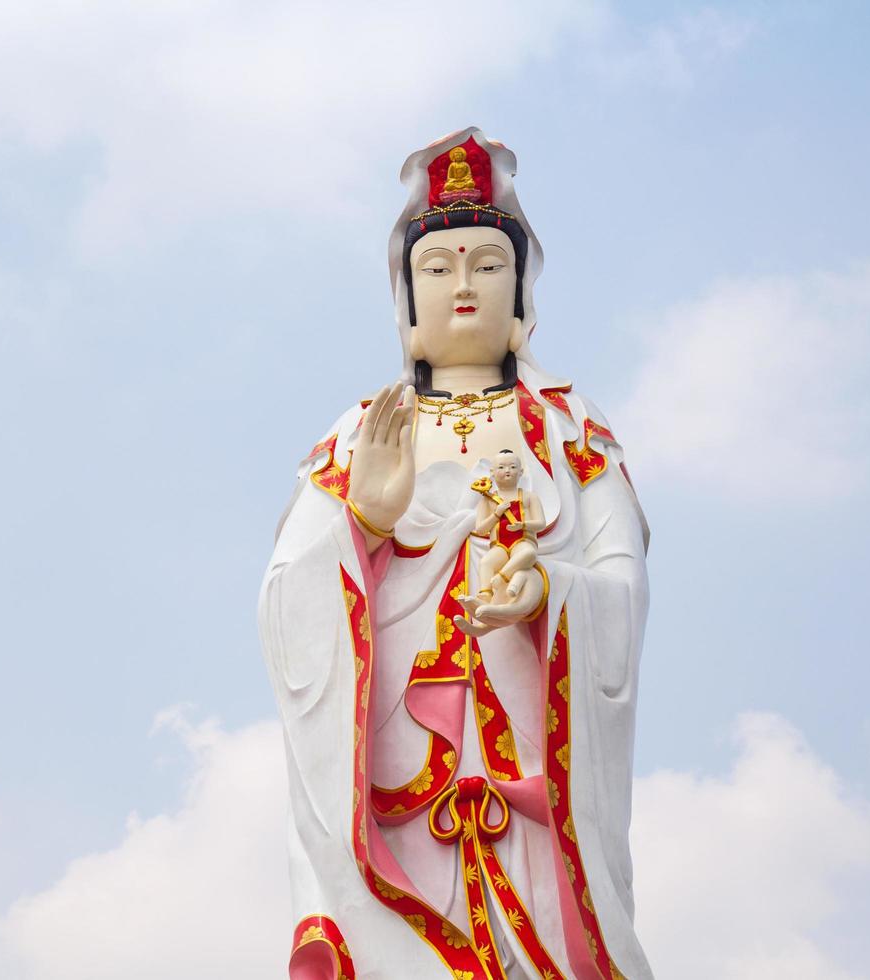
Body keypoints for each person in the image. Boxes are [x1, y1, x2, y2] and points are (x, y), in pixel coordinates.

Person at [260, 128, 652, 980]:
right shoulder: (362, 433)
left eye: (486, 265)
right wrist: (361, 523)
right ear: (406, 300)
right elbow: (287, 597)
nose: (463, 284)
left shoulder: (569, 430)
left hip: (534, 792)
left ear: (521, 297)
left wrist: (548, 588)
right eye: (437, 268)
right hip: (400, 792)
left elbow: (622, 585)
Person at [456, 451, 546, 637]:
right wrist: (497, 513)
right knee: (486, 563)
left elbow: (541, 523)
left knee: (528, 554)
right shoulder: (488, 500)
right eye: (502, 467)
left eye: (513, 467)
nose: (507, 471)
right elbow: (481, 529)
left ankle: (502, 577)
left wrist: (523, 525)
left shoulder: (529, 497)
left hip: (521, 541)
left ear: (521, 472)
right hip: (500, 545)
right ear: (492, 472)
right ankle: (485, 596)